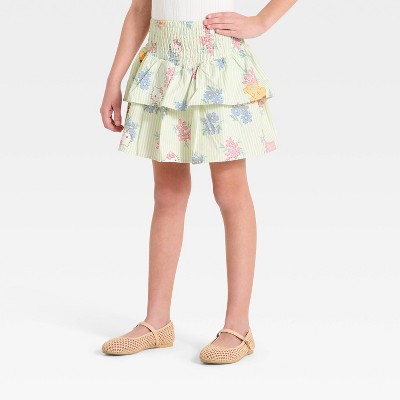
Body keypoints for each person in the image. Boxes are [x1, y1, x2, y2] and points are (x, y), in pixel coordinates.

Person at [100, 0, 297, 364]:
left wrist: (262, 21)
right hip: (164, 64)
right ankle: (157, 322)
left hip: (217, 64)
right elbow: (141, 9)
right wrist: (114, 80)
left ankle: (238, 327)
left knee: (230, 193)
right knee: (168, 194)